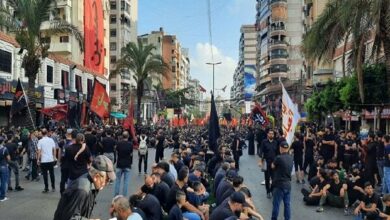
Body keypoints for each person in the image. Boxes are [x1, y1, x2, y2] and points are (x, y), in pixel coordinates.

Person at [53, 155, 116, 220]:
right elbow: (71, 217)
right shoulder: (82, 190)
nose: (107, 183)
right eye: (107, 180)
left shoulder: (93, 184)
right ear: (96, 177)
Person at [271, 141, 293, 220]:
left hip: (279, 184)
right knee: (287, 204)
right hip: (288, 184)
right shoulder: (291, 157)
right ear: (287, 149)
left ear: (280, 148)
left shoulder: (278, 157)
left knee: (276, 204)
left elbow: (272, 166)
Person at [258, 129, 278, 198]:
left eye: (272, 134)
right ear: (268, 134)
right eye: (270, 133)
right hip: (266, 162)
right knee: (267, 178)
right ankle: (268, 191)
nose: (271, 135)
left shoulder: (276, 142)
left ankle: (272, 190)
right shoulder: (264, 142)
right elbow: (261, 152)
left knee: (274, 178)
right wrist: (260, 161)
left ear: (274, 135)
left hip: (274, 163)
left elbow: (278, 153)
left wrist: (277, 163)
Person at [37, 128, 57, 193]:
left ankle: (46, 188)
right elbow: (54, 149)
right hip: (50, 159)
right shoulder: (51, 140)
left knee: (45, 174)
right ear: (47, 133)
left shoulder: (40, 141)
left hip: (44, 160)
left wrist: (38, 159)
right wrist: (54, 157)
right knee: (52, 174)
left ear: (42, 134)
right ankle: (53, 187)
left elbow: (39, 151)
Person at [114, 131, 133, 197]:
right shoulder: (130, 144)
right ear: (128, 136)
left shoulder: (119, 144)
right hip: (127, 164)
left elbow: (116, 152)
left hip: (119, 164)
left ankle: (116, 196)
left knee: (117, 181)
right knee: (126, 182)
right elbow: (131, 154)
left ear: (122, 136)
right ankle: (124, 196)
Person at [0, 136, 10, 202]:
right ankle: (2, 197)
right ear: (2, 141)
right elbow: (8, 158)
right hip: (3, 166)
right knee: (3, 182)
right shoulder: (4, 149)